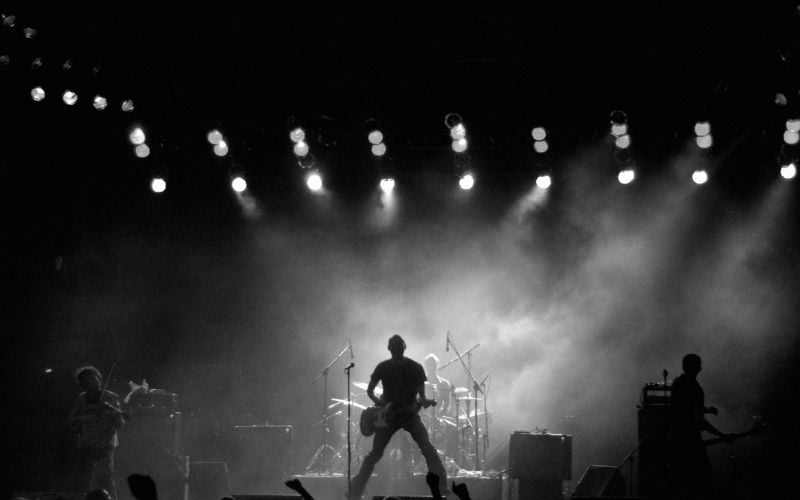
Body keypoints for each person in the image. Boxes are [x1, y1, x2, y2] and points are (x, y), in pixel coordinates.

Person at [349, 335, 448, 499]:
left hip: (397, 414)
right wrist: (425, 401)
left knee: (375, 454)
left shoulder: (385, 367)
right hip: (404, 414)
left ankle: (355, 491)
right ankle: (442, 487)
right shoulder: (415, 367)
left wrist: (380, 405)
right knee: (428, 449)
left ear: (390, 349)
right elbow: (421, 397)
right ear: (404, 347)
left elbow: (369, 391)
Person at [667, 354, 732, 500]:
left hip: (675, 440)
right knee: (701, 485)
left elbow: (684, 409)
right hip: (690, 443)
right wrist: (721, 435)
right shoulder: (695, 389)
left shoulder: (678, 383)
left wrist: (706, 409)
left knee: (678, 485)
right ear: (698, 368)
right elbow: (699, 421)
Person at [69, 366, 126, 500]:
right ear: (83, 384)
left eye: (95, 380)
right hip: (87, 443)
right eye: (88, 381)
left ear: (99, 379)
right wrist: (84, 418)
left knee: (105, 477)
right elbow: (71, 421)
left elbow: (120, 424)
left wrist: (113, 416)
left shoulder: (111, 397)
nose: (93, 384)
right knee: (86, 479)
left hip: (106, 444)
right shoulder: (81, 399)